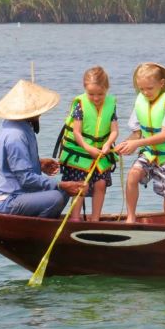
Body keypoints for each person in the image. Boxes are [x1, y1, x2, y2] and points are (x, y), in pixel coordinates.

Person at [0, 79, 86, 218]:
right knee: (56, 197)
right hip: (7, 200)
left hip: (20, 194)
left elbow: (14, 165)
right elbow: (26, 179)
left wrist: (39, 164)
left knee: (62, 191)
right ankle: (35, 231)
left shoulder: (18, 125)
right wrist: (61, 184)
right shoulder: (16, 135)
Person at [115, 63, 165, 225]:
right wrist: (125, 144)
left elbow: (163, 136)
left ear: (161, 84)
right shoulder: (140, 101)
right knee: (132, 175)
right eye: (141, 89)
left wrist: (137, 144)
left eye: (149, 88)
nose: (145, 93)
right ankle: (131, 218)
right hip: (149, 153)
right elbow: (137, 133)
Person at [58, 66, 119, 222]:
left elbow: (114, 131)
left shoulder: (111, 104)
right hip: (81, 153)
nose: (96, 98)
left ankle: (95, 219)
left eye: (100, 94)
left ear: (107, 89)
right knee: (81, 186)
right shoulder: (80, 105)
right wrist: (87, 147)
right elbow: (76, 132)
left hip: (101, 153)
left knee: (101, 184)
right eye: (91, 94)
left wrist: (108, 144)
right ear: (85, 89)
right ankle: (75, 218)